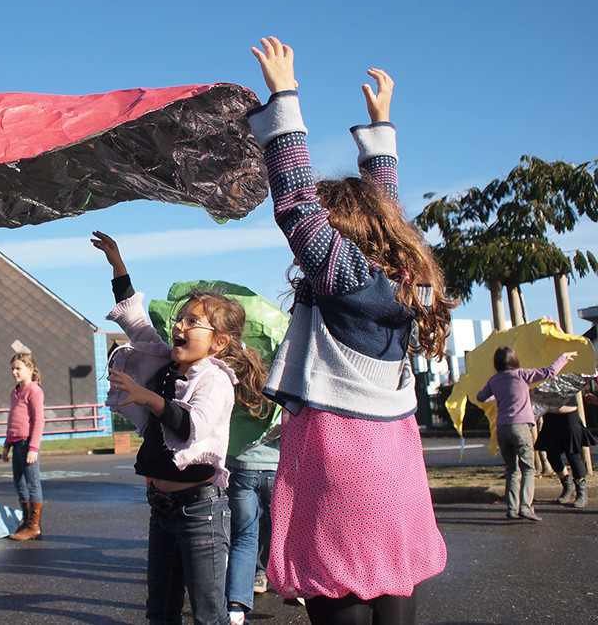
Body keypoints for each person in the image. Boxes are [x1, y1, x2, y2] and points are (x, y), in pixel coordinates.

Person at [247, 37, 456, 625]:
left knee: (338, 588)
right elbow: (383, 209)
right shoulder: (402, 283)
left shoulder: (346, 279)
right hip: (395, 456)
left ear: (342, 238)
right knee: (391, 585)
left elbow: (294, 203)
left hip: (338, 451)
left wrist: (284, 98)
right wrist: (380, 131)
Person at [91, 231, 267, 625]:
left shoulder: (216, 379)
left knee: (207, 614)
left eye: (193, 321)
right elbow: (135, 320)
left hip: (200, 509)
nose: (179, 326)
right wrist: (118, 265)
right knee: (160, 611)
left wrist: (147, 397)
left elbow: (194, 425)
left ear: (218, 342)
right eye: (180, 318)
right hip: (161, 506)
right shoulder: (163, 362)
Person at [478, 347, 577, 520]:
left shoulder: (494, 380)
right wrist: (563, 357)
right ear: (514, 359)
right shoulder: (522, 375)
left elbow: (481, 397)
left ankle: (512, 508)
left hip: (502, 428)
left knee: (512, 469)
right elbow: (550, 372)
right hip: (520, 427)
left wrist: (499, 395)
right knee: (528, 468)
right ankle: (526, 507)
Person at [225, 402, 280, 624]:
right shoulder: (282, 376)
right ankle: (297, 588)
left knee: (243, 537)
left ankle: (236, 608)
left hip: (241, 463)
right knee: (283, 535)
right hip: (276, 464)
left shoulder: (237, 377)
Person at [2, 352, 46, 541]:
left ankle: (34, 527)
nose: (14, 372)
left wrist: (33, 448)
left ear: (30, 369)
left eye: (18, 368)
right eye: (12, 368)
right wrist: (6, 445)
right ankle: (26, 521)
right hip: (16, 442)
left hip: (28, 442)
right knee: (19, 483)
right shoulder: (15, 392)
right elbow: (13, 421)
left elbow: (38, 421)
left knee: (32, 483)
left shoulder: (34, 391)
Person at [537, 398, 595, 508]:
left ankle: (581, 492)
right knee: (552, 455)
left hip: (569, 416)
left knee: (573, 455)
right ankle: (568, 484)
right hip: (550, 417)